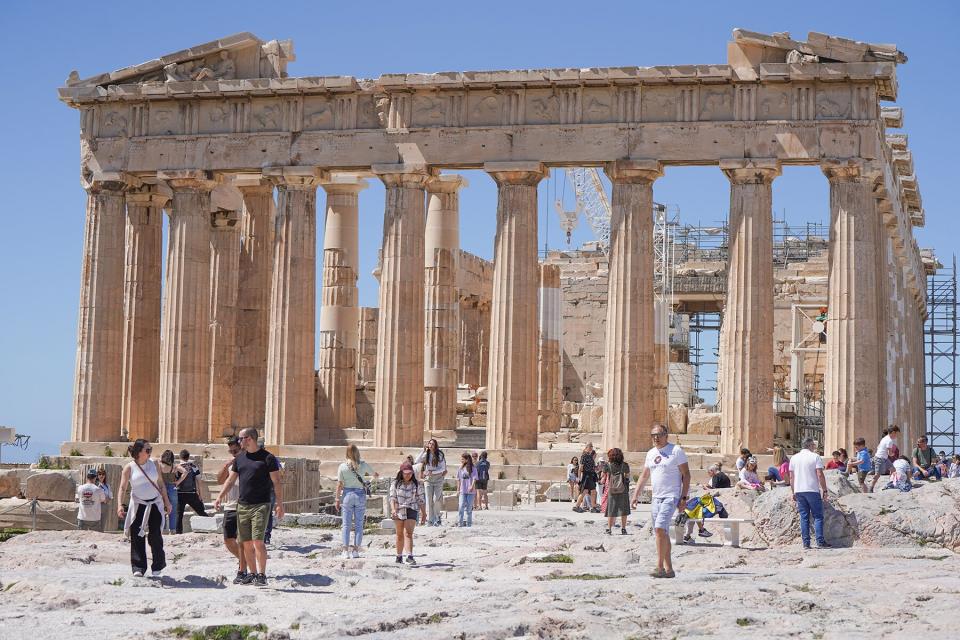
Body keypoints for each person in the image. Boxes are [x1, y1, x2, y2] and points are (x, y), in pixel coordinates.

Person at [215, 428, 284, 587]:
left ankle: (262, 574)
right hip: (243, 505)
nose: (239, 442)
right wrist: (219, 497)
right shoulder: (239, 459)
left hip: (261, 504)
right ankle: (251, 573)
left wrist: (280, 504)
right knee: (245, 542)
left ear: (250, 439)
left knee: (258, 541)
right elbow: (231, 480)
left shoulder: (268, 458)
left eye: (241, 439)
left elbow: (277, 482)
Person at [631, 423, 690, 579]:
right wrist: (636, 495)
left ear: (666, 435)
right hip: (656, 497)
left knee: (658, 529)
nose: (655, 438)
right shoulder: (650, 453)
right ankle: (669, 569)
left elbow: (686, 475)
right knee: (662, 532)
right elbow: (644, 475)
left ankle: (659, 567)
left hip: (671, 496)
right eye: (653, 435)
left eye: (658, 435)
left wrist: (683, 497)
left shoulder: (676, 451)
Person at [116, 439, 171, 577]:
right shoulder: (129, 467)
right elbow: (122, 488)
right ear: (139, 452)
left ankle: (158, 565)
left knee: (155, 535)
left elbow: (161, 484)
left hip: (155, 503)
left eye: (150, 449)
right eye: (147, 450)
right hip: (138, 503)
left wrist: (167, 502)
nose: (150, 452)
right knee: (136, 535)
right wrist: (119, 505)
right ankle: (138, 567)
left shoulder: (155, 463)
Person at [335, 444, 377, 559]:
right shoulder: (363, 465)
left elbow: (339, 485)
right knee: (359, 524)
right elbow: (375, 475)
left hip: (347, 495)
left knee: (346, 524)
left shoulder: (342, 466)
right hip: (360, 495)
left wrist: (337, 499)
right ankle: (355, 551)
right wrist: (368, 483)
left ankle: (345, 551)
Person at [216, 437, 248, 583]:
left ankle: (243, 567)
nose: (233, 453)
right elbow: (220, 480)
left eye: (235, 450)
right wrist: (226, 465)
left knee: (243, 540)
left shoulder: (249, 462)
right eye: (231, 451)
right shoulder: (231, 465)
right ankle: (243, 560)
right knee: (228, 540)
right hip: (230, 506)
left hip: (245, 505)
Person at [788, 437, 830, 549]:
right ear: (810, 445)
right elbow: (820, 474)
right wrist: (825, 489)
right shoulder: (815, 457)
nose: (814, 448)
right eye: (813, 445)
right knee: (818, 516)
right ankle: (820, 541)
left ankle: (806, 543)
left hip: (799, 490)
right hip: (812, 489)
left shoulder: (794, 458)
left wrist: (793, 491)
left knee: (804, 517)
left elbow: (791, 477)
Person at [388, 461, 426, 565]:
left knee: (408, 533)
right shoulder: (395, 483)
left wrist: (424, 513)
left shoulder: (417, 484)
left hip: (411, 508)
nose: (408, 475)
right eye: (405, 473)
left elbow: (421, 500)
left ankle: (409, 556)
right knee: (399, 534)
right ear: (401, 472)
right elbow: (392, 498)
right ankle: (399, 556)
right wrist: (393, 509)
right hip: (399, 509)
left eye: (410, 473)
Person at [175, 449, 207, 534]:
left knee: (179, 515)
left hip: (179, 494)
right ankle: (209, 528)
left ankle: (178, 533)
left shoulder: (177, 467)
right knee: (201, 512)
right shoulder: (193, 467)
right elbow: (199, 481)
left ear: (180, 457)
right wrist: (200, 494)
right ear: (188, 457)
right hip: (192, 494)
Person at [415, 439, 447, 526]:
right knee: (429, 500)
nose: (430, 445)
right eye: (429, 444)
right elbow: (417, 461)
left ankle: (437, 517)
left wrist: (433, 472)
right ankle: (430, 519)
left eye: (432, 444)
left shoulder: (440, 455)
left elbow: (443, 468)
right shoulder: (426, 454)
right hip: (428, 479)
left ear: (435, 445)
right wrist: (423, 451)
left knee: (436, 499)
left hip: (438, 479)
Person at [604, 448, 630, 535]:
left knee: (611, 509)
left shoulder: (608, 465)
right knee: (624, 510)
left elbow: (603, 477)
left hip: (612, 490)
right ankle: (623, 529)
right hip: (623, 489)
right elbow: (627, 477)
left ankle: (609, 529)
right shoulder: (625, 465)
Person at [870, 426, 900, 492]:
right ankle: (871, 487)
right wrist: (893, 454)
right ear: (893, 433)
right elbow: (890, 454)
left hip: (883, 458)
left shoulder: (885, 438)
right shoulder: (890, 441)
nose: (897, 436)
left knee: (893, 469)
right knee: (877, 475)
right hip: (880, 458)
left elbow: (878, 447)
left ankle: (893, 483)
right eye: (896, 434)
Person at [573, 443, 599, 513]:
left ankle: (593, 507)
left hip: (591, 475)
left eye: (592, 446)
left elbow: (592, 467)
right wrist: (579, 477)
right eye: (590, 446)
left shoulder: (590, 456)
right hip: (586, 476)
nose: (591, 448)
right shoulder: (584, 456)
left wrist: (596, 468)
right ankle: (577, 506)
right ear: (586, 447)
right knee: (585, 491)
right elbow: (581, 467)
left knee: (592, 491)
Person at [158, 451, 179, 534]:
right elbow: (185, 471)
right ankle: (173, 529)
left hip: (162, 488)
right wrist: (178, 481)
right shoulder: (174, 466)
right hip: (172, 487)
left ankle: (162, 528)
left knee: (161, 508)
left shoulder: (159, 465)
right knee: (173, 509)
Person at [456, 453, 478, 527]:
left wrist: (471, 486)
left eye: (462, 459)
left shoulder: (473, 468)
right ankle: (460, 523)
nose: (461, 460)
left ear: (467, 459)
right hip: (462, 490)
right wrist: (458, 490)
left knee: (469, 508)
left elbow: (475, 478)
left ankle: (469, 524)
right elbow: (458, 479)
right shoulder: (460, 468)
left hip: (470, 491)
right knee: (461, 506)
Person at [94, 467, 114, 532]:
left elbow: (111, 496)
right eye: (100, 474)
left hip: (105, 505)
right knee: (96, 523)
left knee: (103, 524)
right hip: (96, 505)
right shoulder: (95, 485)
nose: (101, 476)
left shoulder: (107, 485)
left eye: (103, 474)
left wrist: (107, 499)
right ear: (97, 475)